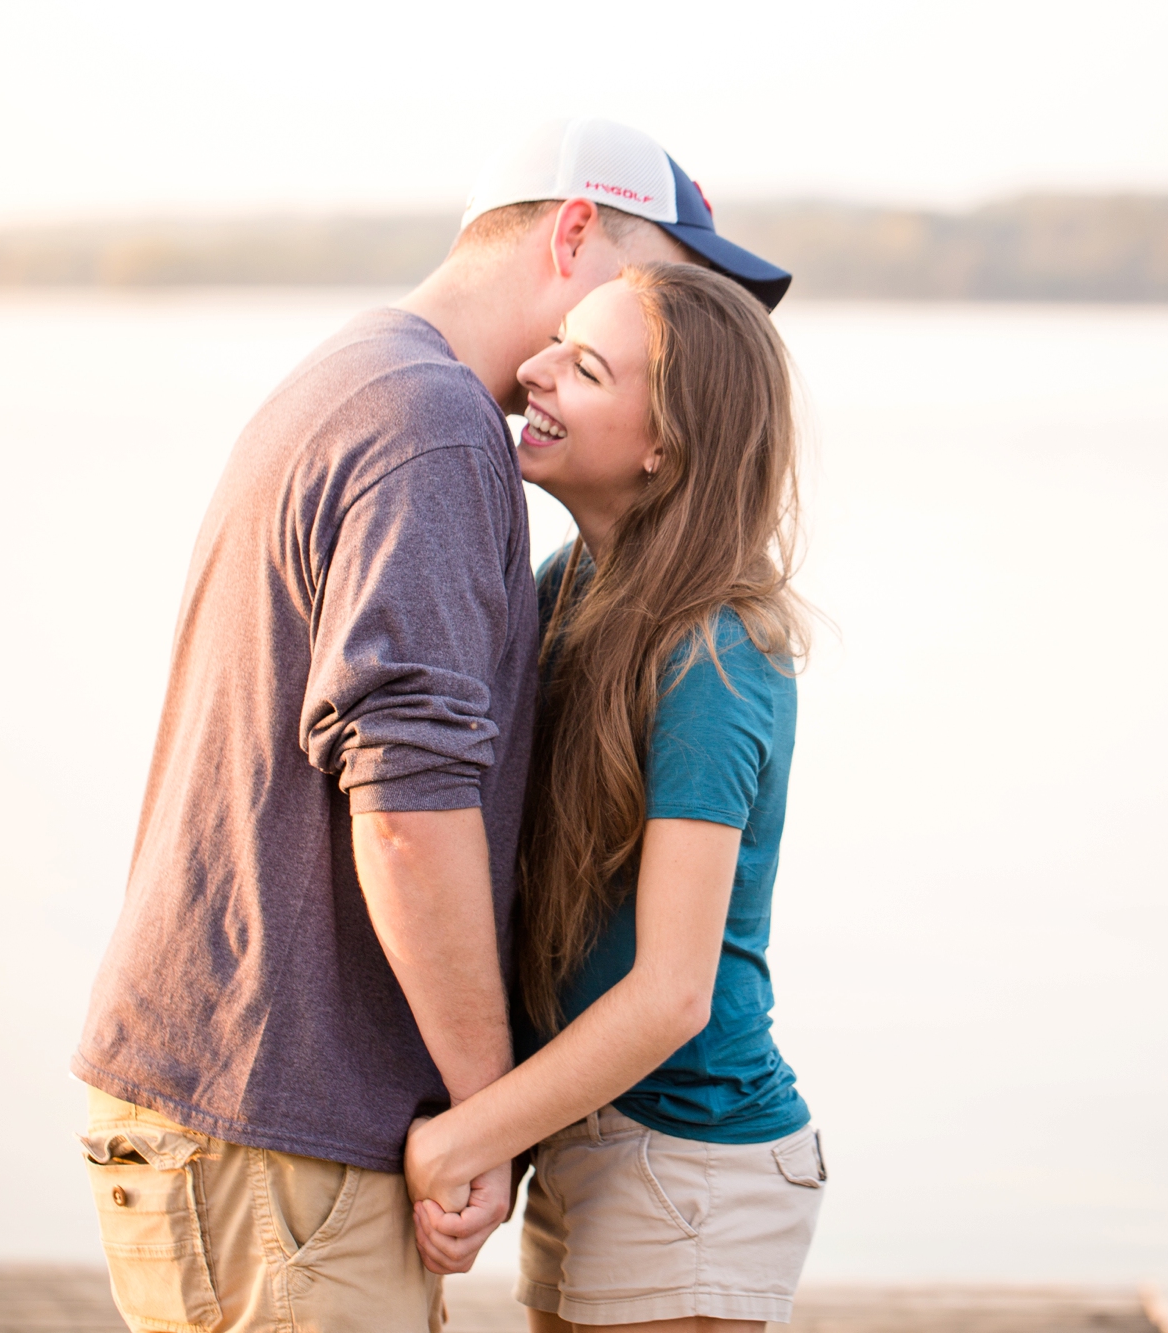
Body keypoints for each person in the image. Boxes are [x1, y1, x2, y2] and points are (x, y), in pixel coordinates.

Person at [71, 119, 792, 1333]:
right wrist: (482, 1118)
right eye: (657, 284)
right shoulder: (436, 427)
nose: (671, 327)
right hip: (274, 1126)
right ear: (574, 233)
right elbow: (406, 812)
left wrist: (474, 1125)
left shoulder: (362, 374)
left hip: (237, 1108)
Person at [403, 261, 821, 1333]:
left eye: (582, 367)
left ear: (663, 446)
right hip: (597, 1135)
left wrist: (470, 1135)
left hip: (691, 1164)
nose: (530, 371)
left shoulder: (714, 656)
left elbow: (671, 991)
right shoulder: (570, 590)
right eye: (554, 343)